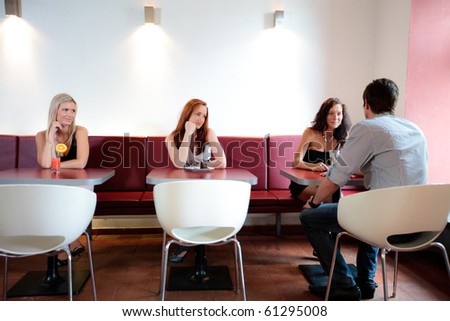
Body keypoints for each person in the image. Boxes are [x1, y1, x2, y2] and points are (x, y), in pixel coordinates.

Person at [299, 78, 428, 300]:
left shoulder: (368, 127)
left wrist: (313, 202)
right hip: (418, 222)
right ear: (392, 103)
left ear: (366, 103)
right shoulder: (414, 128)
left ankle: (343, 283)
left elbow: (335, 178)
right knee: (373, 204)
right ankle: (366, 281)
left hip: (383, 220)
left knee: (310, 217)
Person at [165, 98, 226, 262]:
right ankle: (189, 240)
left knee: (201, 200)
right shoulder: (171, 138)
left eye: (204, 116)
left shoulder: (208, 133)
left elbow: (222, 162)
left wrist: (204, 163)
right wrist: (188, 134)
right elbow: (179, 164)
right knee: (186, 200)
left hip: (206, 185)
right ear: (187, 114)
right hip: (184, 186)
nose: (201, 119)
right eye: (197, 114)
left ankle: (187, 243)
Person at [36, 93, 90, 266]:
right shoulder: (41, 135)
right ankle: (70, 244)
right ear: (55, 111)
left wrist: (56, 166)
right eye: (65, 109)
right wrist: (50, 138)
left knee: (60, 203)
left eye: (73, 111)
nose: (69, 114)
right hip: (53, 186)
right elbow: (44, 163)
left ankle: (64, 247)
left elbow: (81, 163)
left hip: (79, 185)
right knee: (46, 202)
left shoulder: (80, 131)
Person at [290, 98, 351, 203]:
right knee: (338, 199)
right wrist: (313, 166)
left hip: (325, 184)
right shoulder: (310, 133)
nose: (335, 117)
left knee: (339, 197)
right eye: (330, 113)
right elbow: (295, 161)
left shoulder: (341, 137)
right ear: (324, 115)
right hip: (304, 186)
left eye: (339, 113)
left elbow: (341, 164)